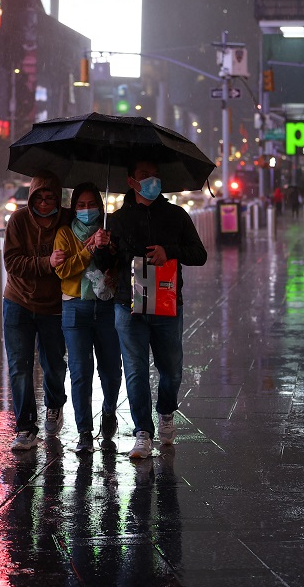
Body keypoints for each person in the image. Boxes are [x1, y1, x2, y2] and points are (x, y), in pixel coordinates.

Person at [94, 160, 207, 459]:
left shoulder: (176, 216)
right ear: (131, 181)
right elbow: (105, 266)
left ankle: (166, 411)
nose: (152, 180)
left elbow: (199, 254)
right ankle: (143, 431)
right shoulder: (115, 221)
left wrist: (169, 252)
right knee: (135, 371)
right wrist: (101, 246)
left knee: (171, 369)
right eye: (144, 175)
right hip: (127, 305)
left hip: (167, 305)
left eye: (155, 174)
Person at [3, 170, 70, 450]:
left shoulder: (68, 220)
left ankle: (54, 404)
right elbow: (12, 262)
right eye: (39, 198)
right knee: (20, 367)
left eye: (50, 198)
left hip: (54, 306)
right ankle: (26, 427)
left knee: (54, 364)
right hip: (18, 302)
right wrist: (46, 263)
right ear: (31, 198)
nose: (44, 203)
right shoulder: (18, 220)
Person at [54, 183, 122, 454]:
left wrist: (110, 261)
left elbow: (120, 263)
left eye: (90, 204)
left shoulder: (108, 232)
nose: (85, 210)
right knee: (80, 372)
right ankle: (84, 431)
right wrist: (89, 250)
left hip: (106, 309)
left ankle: (108, 411)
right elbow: (64, 271)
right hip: (75, 309)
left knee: (111, 370)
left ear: (100, 206)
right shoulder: (65, 234)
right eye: (80, 205)